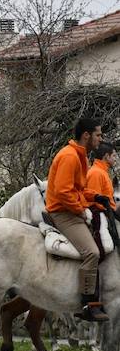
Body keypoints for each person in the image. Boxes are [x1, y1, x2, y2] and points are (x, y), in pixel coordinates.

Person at [45, 118, 109, 322]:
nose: (101, 139)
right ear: (86, 135)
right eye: (98, 135)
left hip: (72, 210)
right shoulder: (70, 157)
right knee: (92, 252)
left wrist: (95, 197)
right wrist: (81, 210)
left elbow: (78, 189)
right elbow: (63, 192)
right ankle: (88, 303)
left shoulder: (81, 156)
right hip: (63, 213)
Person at [87, 142, 117, 213]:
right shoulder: (96, 173)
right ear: (106, 156)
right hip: (104, 216)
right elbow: (95, 202)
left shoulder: (103, 172)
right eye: (114, 156)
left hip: (110, 213)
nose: (115, 159)